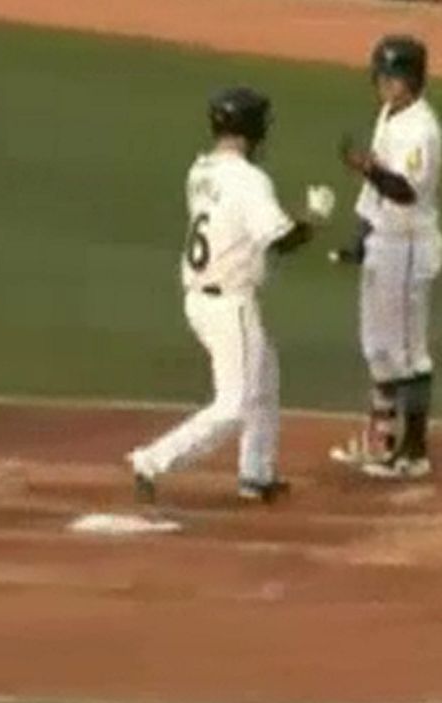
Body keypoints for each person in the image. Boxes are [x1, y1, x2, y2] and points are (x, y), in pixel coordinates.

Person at [126, 87, 335, 504]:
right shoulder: (248, 180)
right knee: (234, 404)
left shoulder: (201, 171)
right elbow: (281, 242)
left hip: (201, 297)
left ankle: (256, 474)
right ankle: (151, 459)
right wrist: (314, 217)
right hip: (228, 303)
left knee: (264, 379)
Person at [327, 35, 442, 481]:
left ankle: (413, 453)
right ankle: (382, 441)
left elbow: (405, 190)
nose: (383, 85)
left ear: (412, 80)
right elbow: (375, 193)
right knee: (378, 348)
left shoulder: (422, 129)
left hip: (408, 246)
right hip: (384, 240)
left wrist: (367, 167)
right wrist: (360, 236)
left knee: (408, 354)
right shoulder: (390, 115)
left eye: (392, 77)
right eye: (380, 77)